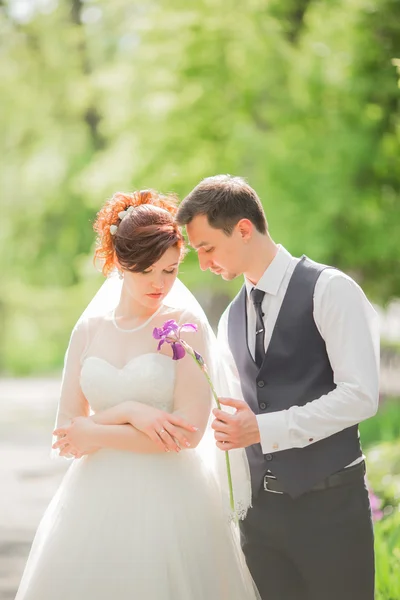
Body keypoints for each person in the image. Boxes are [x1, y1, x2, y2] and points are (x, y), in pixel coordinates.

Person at [15, 190, 260, 600]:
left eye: (170, 270)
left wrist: (97, 431)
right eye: (146, 270)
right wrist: (131, 412)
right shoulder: (89, 329)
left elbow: (188, 434)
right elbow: (66, 433)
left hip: (171, 502)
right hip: (93, 502)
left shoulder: (184, 326)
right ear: (118, 263)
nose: (159, 284)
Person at [176, 174, 380, 600]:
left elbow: (361, 395)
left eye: (208, 247)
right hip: (260, 523)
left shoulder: (330, 290)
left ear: (244, 229)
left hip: (331, 512)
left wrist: (263, 429)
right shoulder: (230, 317)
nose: (204, 262)